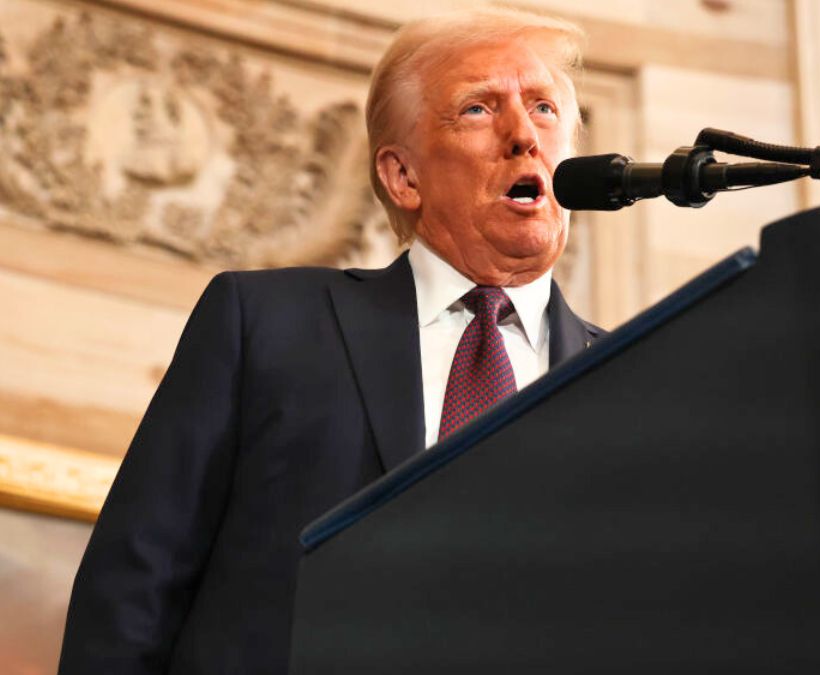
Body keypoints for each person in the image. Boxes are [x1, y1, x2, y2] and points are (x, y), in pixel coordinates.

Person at [58, 8, 602, 674]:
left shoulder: (630, 385)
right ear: (403, 176)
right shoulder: (264, 325)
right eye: (479, 110)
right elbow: (128, 598)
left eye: (545, 108)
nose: (524, 135)